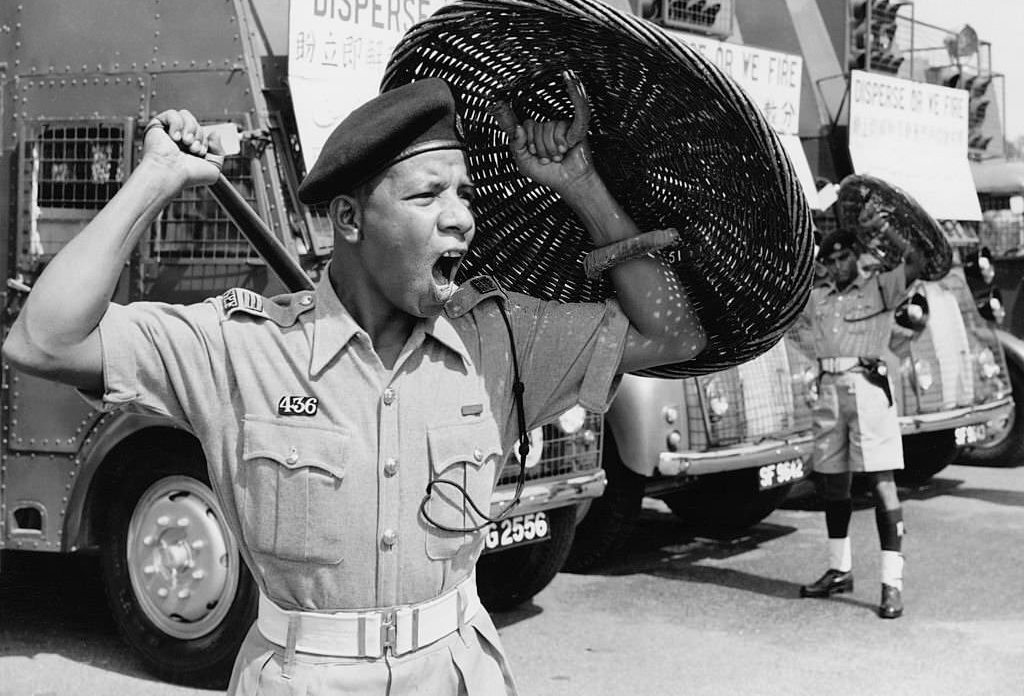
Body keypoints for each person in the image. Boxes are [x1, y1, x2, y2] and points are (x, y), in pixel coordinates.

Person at [2, 74, 706, 694]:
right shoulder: (243, 346)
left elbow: (675, 334)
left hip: (457, 673)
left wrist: (582, 184)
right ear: (348, 219)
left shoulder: (498, 339)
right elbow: (43, 339)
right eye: (428, 194)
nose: (460, 216)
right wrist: (152, 180)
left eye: (463, 193)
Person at [794, 221, 922, 620]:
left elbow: (916, 259)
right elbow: (792, 320)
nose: (837, 265)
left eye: (844, 256)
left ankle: (891, 584)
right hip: (829, 390)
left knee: (882, 484)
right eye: (830, 260)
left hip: (867, 390)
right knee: (833, 483)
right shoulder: (819, 298)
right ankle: (839, 570)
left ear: (858, 255)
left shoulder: (880, 287)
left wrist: (889, 231)